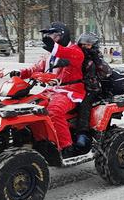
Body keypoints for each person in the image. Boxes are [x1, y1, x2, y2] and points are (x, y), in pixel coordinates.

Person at [8, 22, 85, 159]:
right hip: (52, 91)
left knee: (54, 111)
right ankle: (34, 140)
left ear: (63, 35)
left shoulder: (75, 50)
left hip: (70, 91)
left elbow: (68, 54)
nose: (51, 38)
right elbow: (36, 68)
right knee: (28, 107)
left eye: (54, 35)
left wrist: (54, 48)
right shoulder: (50, 55)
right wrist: (19, 73)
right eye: (49, 35)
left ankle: (66, 147)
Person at [74, 32, 112, 150]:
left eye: (88, 45)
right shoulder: (76, 56)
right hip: (75, 87)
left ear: (94, 46)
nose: (84, 47)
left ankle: (83, 134)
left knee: (84, 104)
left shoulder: (96, 57)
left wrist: (96, 59)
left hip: (92, 89)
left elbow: (107, 72)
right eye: (82, 45)